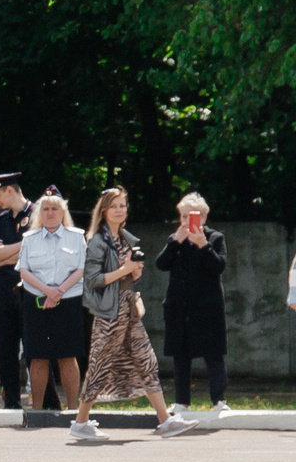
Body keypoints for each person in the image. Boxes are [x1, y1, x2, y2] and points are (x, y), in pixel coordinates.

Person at [75, 187, 194, 439]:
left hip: (127, 308)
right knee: (99, 364)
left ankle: (165, 420)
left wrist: (133, 273)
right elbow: (93, 280)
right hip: (109, 313)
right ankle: (80, 422)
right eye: (114, 206)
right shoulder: (98, 240)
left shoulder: (125, 238)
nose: (120, 210)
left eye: (123, 205)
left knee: (146, 360)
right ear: (104, 210)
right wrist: (124, 269)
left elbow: (124, 274)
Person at [15, 190, 90, 416]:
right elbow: (23, 271)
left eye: (55, 209)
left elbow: (82, 268)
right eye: (45, 209)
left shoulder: (76, 237)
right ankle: (36, 410)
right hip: (36, 301)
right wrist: (47, 291)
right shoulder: (29, 239)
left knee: (68, 355)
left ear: (63, 212)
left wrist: (58, 291)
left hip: (68, 301)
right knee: (37, 356)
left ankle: (72, 408)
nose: (50, 213)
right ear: (40, 213)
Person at [154, 193, 229, 415]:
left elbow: (218, 267)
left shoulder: (215, 238)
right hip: (179, 308)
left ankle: (219, 401)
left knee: (213, 354)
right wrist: (176, 242)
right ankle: (182, 402)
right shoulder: (175, 239)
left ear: (204, 217)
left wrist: (203, 245)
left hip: (207, 309)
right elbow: (161, 264)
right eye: (183, 216)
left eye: (193, 216)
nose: (187, 221)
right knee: (181, 356)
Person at [0, 173, 32, 408]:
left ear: (10, 190)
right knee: (6, 348)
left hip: (29, 287)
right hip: (4, 287)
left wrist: (8, 253)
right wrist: (24, 245)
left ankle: (46, 401)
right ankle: (12, 402)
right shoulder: (2, 219)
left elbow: (36, 254)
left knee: (34, 348)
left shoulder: (37, 214)